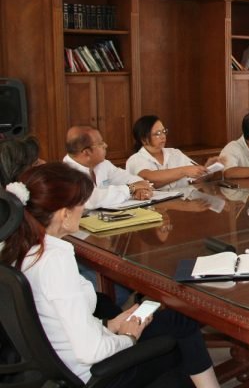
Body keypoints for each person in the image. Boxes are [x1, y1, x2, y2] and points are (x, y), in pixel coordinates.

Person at [1, 162, 220, 387]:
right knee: (178, 338)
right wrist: (127, 338)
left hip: (65, 362)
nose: (84, 208)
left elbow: (63, 323)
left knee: (175, 322)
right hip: (97, 374)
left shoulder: (20, 248)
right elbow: (90, 351)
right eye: (81, 203)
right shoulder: (55, 261)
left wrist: (111, 325)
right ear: (64, 215)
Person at [63, 126, 153, 209]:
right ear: (86, 152)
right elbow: (92, 199)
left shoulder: (102, 164)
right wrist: (131, 189)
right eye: (100, 143)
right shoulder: (66, 173)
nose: (105, 145)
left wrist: (140, 190)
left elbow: (129, 178)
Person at [126, 115, 222, 190]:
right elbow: (149, 179)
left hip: (183, 203)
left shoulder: (175, 153)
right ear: (144, 139)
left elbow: (197, 180)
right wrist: (184, 171)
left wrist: (208, 170)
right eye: (158, 133)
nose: (163, 136)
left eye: (164, 131)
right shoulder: (135, 159)